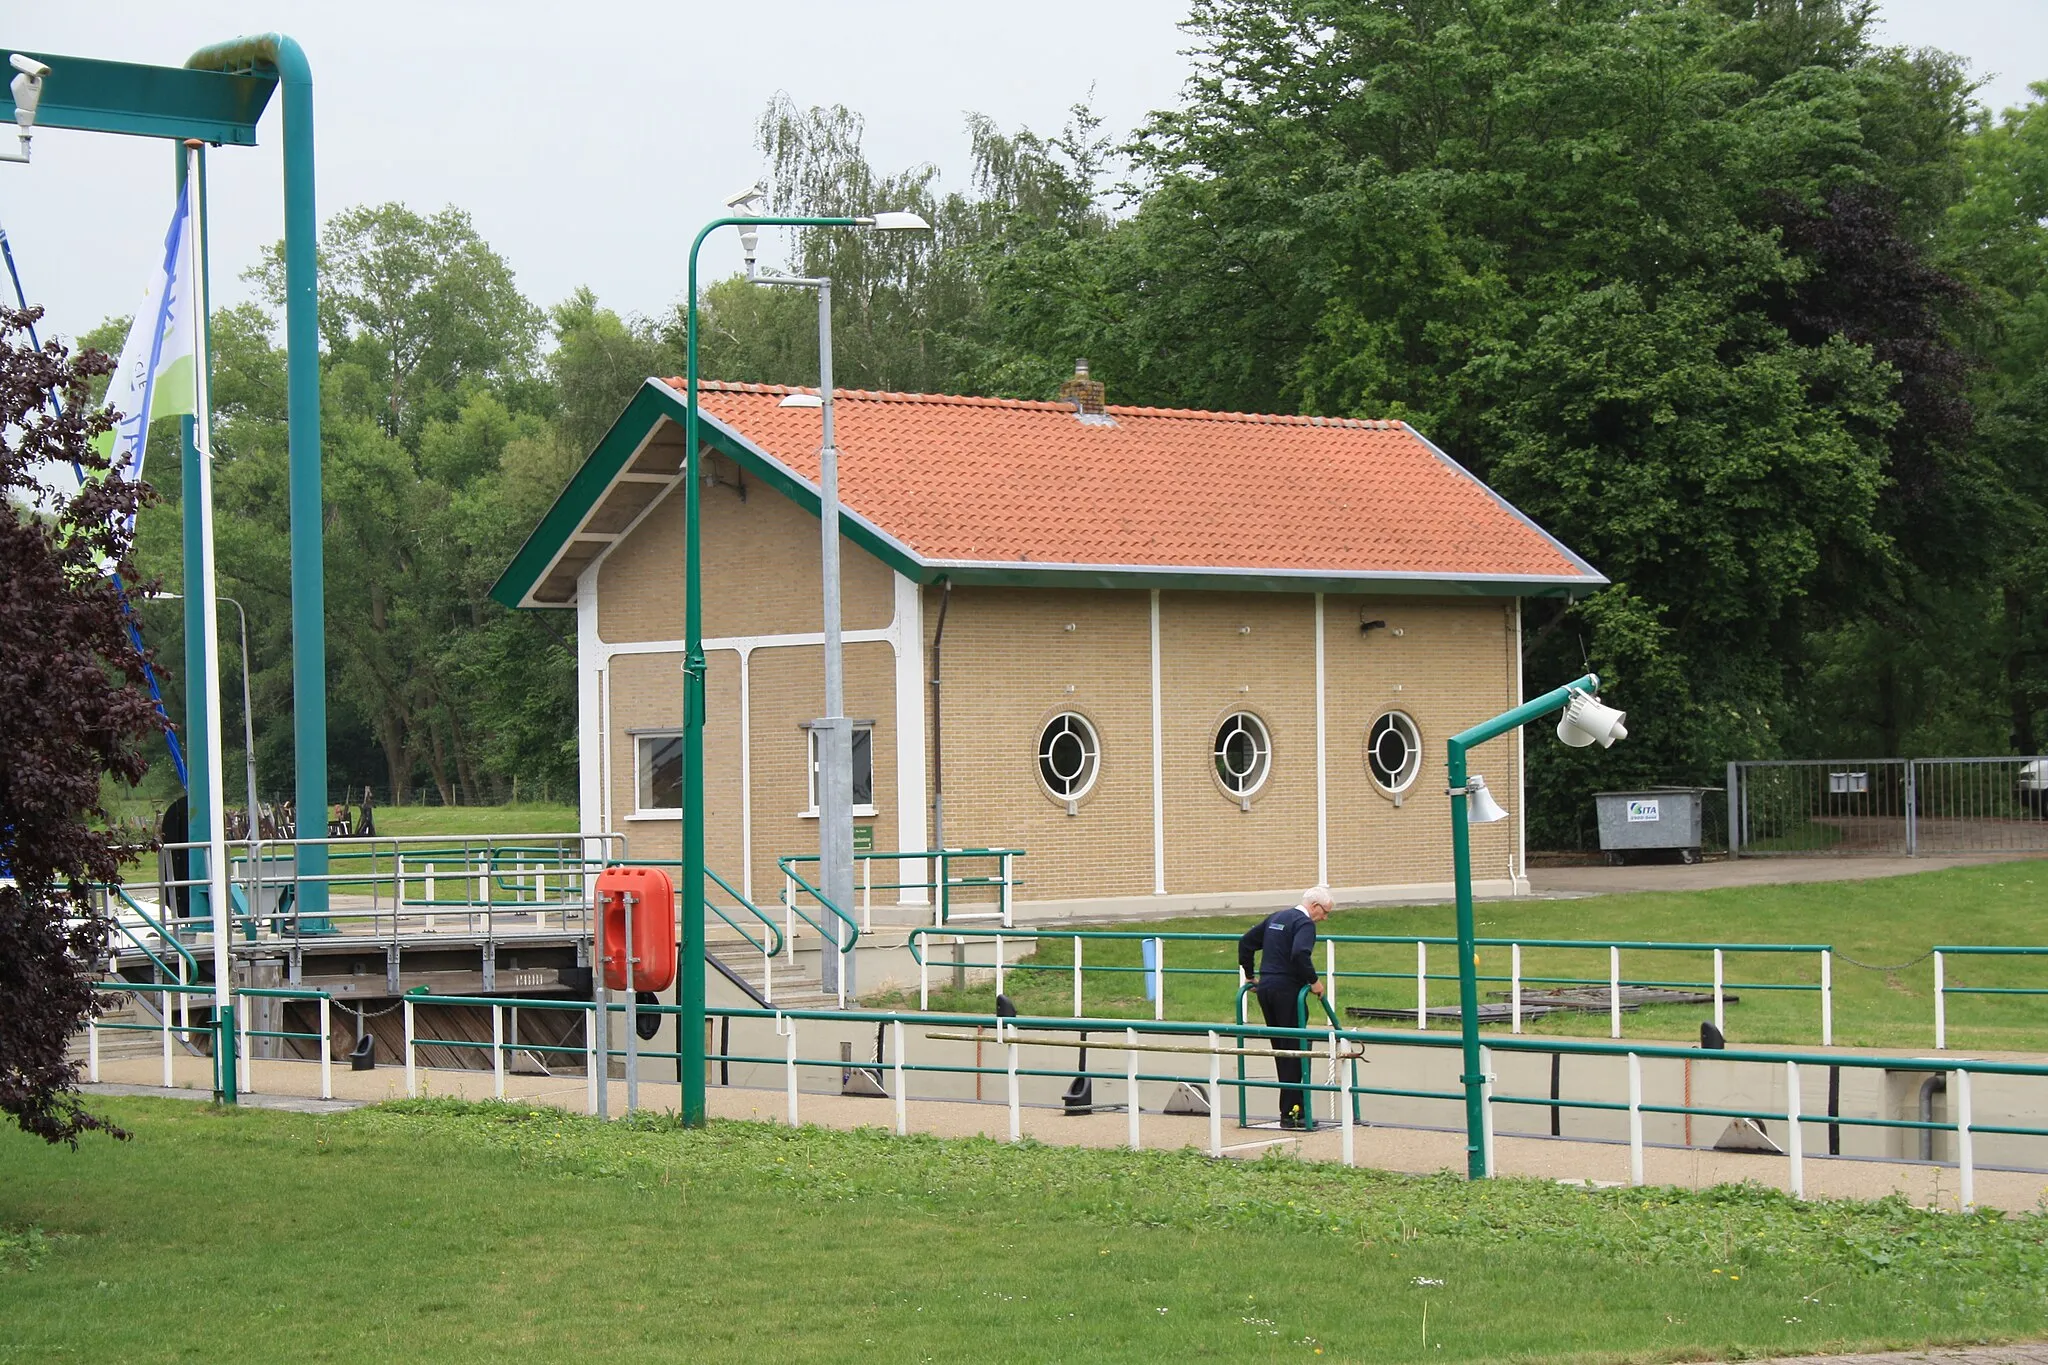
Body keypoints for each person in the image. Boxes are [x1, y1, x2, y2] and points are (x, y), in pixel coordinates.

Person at [1237, 885, 1333, 1129]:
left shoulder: (1277, 917)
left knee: (1281, 1049)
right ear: (1314, 906)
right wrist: (1314, 981)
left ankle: (1289, 1111)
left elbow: (1246, 943)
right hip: (1288, 992)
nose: (1325, 918)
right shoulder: (1304, 924)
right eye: (1325, 912)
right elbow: (1300, 953)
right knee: (1297, 1050)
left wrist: (1250, 975)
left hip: (1267, 990)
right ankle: (1293, 1114)